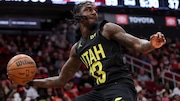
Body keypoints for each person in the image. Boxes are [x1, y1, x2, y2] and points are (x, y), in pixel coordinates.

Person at [8, 1, 166, 101]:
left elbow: (138, 45)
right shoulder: (77, 49)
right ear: (78, 16)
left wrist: (152, 44)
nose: (94, 12)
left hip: (120, 86)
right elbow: (61, 80)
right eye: (89, 9)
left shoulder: (107, 29)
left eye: (95, 10)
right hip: (99, 91)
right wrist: (31, 82)